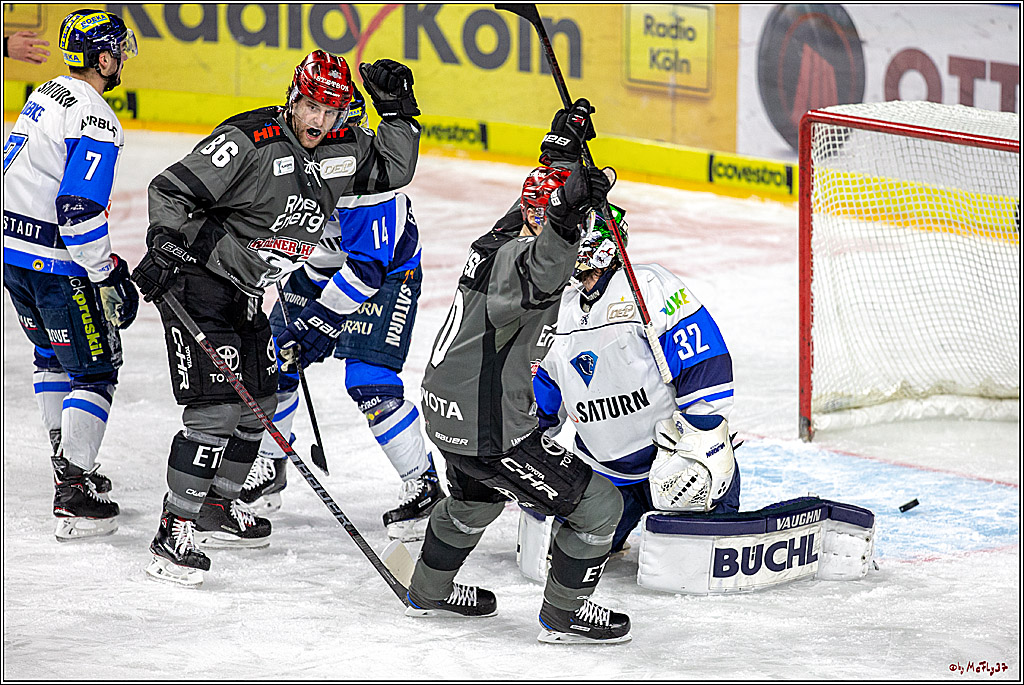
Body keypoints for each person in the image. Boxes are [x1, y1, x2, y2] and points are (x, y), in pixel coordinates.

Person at [131, 50, 421, 587]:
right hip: (200, 281)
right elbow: (171, 189)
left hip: (246, 290)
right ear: (293, 96)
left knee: (260, 402)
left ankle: (216, 507)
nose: (317, 120)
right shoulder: (249, 141)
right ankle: (173, 531)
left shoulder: (341, 147)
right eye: (310, 105)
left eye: (330, 111)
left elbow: (391, 168)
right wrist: (164, 242)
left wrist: (400, 116)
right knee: (216, 410)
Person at [405, 99, 632, 644]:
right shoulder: (529, 263)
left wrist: (563, 150)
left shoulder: (497, 238)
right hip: (490, 427)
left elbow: (534, 208)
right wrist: (569, 216)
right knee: (600, 508)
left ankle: (427, 591)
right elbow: (548, 260)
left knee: (473, 499)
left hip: (444, 407)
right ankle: (565, 614)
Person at [244, 88, 442, 542]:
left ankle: (424, 484)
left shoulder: (369, 177)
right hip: (319, 267)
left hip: (386, 275)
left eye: (337, 118)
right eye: (316, 113)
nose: (326, 128)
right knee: (274, 358)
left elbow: (368, 269)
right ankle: (270, 463)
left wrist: (322, 320)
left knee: (369, 381)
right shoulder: (287, 151)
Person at [532, 207, 741, 559]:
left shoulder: (648, 287)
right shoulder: (556, 310)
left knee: (694, 560)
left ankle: (712, 515)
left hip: (677, 463)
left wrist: (700, 445)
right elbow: (542, 400)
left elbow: (706, 364)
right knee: (567, 553)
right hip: (605, 475)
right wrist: (530, 464)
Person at [3, 9, 138, 541]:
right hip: (56, 265)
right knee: (97, 368)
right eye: (118, 50)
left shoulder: (45, 95)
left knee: (50, 355)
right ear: (102, 58)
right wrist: (105, 273)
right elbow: (79, 210)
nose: (123, 57)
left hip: (13, 254)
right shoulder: (97, 117)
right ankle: (74, 490)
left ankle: (65, 459)